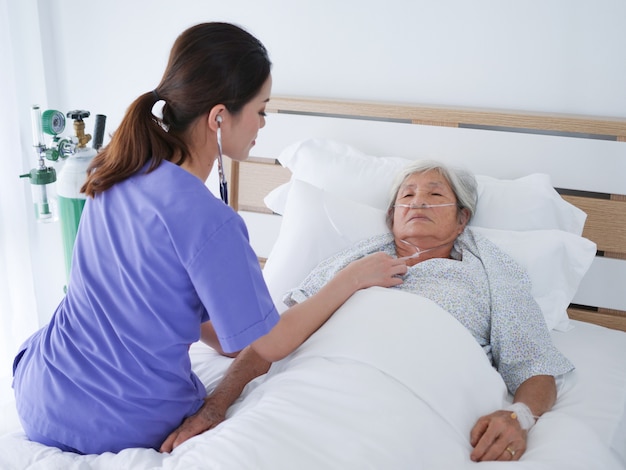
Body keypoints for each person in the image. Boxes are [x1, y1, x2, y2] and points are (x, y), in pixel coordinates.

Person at [11, 22, 407, 455]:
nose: (262, 124)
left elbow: (174, 306)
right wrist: (349, 279)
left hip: (39, 392)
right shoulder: (211, 221)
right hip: (122, 421)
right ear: (219, 117)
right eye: (261, 109)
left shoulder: (115, 168)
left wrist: (234, 323)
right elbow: (269, 344)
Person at [278, 160, 574, 463]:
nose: (418, 201)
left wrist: (519, 417)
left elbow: (534, 367)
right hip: (318, 386)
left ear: (462, 219)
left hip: (414, 401)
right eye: (406, 196)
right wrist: (224, 400)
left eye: (434, 195)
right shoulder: (354, 262)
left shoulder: (491, 273)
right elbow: (279, 336)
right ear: (392, 216)